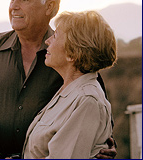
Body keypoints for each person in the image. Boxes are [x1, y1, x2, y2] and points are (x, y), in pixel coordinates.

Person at [0, 0, 117, 159]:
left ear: (50, 7)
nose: (14, 6)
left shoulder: (71, 53)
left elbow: (94, 112)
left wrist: (101, 147)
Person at [22, 11, 117, 159]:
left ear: (73, 53)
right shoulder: (68, 90)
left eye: (55, 35)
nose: (47, 41)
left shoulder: (87, 100)